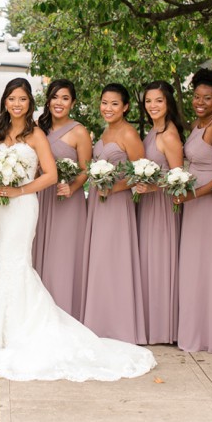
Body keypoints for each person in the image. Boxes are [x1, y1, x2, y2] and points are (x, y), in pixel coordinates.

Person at [0, 78, 156, 381]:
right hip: (2, 208)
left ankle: (25, 328)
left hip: (24, 204)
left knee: (17, 262)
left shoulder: (40, 134)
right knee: (7, 263)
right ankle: (0, 330)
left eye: (22, 99)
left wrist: (26, 191)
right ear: (6, 101)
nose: (17, 104)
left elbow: (53, 173)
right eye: (11, 98)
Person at [79, 83, 146, 344]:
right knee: (100, 260)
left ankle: (118, 323)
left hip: (117, 204)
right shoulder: (106, 131)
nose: (108, 108)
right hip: (99, 201)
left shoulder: (129, 134)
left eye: (114, 104)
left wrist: (114, 189)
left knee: (114, 260)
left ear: (126, 107)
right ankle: (99, 319)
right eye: (104, 102)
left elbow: (140, 173)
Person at [175, 68, 212, 354]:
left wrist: (194, 194)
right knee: (193, 268)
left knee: (208, 267)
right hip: (193, 202)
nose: (200, 102)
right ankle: (193, 328)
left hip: (209, 204)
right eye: (197, 96)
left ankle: (209, 333)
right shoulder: (198, 124)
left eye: (207, 98)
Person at [32, 79, 91, 318]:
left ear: (73, 103)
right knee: (40, 254)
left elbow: (86, 170)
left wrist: (72, 187)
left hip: (68, 202)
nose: (59, 103)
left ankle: (66, 313)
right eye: (55, 97)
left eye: (65, 98)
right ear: (48, 100)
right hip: (42, 198)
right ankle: (41, 314)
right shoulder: (38, 128)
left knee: (63, 257)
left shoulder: (79, 131)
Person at [134, 81, 184, 345]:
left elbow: (178, 179)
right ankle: (150, 324)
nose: (152, 106)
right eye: (149, 101)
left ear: (168, 104)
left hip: (163, 207)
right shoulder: (153, 131)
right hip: (148, 204)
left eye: (158, 101)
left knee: (160, 263)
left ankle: (163, 328)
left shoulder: (169, 135)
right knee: (147, 263)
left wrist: (153, 186)